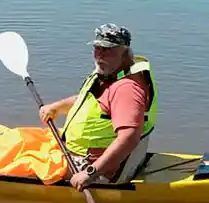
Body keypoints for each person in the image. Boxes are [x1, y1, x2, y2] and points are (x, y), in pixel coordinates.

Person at [39, 23, 158, 191]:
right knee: (25, 139)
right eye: (97, 48)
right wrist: (56, 107)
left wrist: (90, 173)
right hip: (84, 154)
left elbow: (129, 137)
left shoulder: (126, 89)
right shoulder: (113, 73)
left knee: (23, 160)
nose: (100, 55)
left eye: (108, 50)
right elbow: (88, 101)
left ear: (124, 52)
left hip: (95, 166)